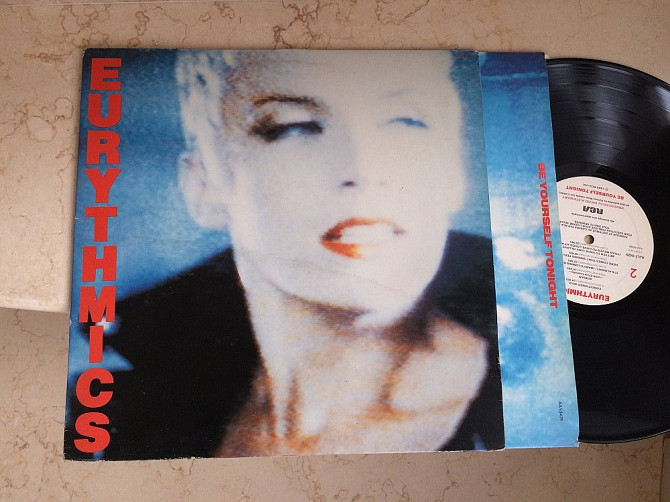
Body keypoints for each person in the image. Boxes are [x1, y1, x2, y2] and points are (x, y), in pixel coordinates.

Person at [68, 50, 504, 459]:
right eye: (293, 126)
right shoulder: (112, 420)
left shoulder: (521, 396)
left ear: (454, 169)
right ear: (203, 184)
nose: (363, 169)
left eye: (406, 120)